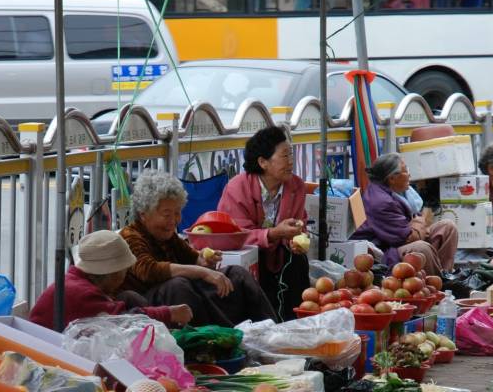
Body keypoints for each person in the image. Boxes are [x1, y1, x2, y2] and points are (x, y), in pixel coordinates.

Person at [120, 170, 276, 327]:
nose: (174, 221)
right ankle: (219, 337)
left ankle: (271, 329)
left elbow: (192, 258)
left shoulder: (168, 237)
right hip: (150, 308)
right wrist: (203, 272)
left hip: (181, 293)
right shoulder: (130, 236)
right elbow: (149, 270)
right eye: (166, 215)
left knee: (236, 274)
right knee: (178, 286)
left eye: (177, 213)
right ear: (143, 215)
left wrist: (203, 261)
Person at [217, 126, 310, 321]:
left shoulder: (296, 186)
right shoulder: (237, 188)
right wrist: (273, 234)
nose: (291, 161)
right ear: (263, 162)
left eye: (291, 154)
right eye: (284, 156)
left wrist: (297, 238)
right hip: (251, 254)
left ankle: (296, 321)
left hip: (281, 254)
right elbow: (236, 235)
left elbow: (301, 222)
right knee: (256, 262)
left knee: (298, 262)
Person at [29, 231, 193, 330]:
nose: (125, 276)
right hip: (48, 354)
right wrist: (169, 313)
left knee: (128, 297)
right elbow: (123, 319)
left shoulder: (76, 280)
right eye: (124, 270)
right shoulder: (83, 294)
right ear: (113, 273)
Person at [350, 153, 458, 274]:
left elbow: (414, 226)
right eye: (406, 171)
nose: (409, 175)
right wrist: (420, 222)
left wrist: (417, 223)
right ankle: (436, 282)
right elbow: (409, 238)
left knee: (447, 227)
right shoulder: (382, 202)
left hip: (397, 241)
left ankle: (446, 275)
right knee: (422, 248)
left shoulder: (396, 192)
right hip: (383, 253)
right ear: (392, 178)